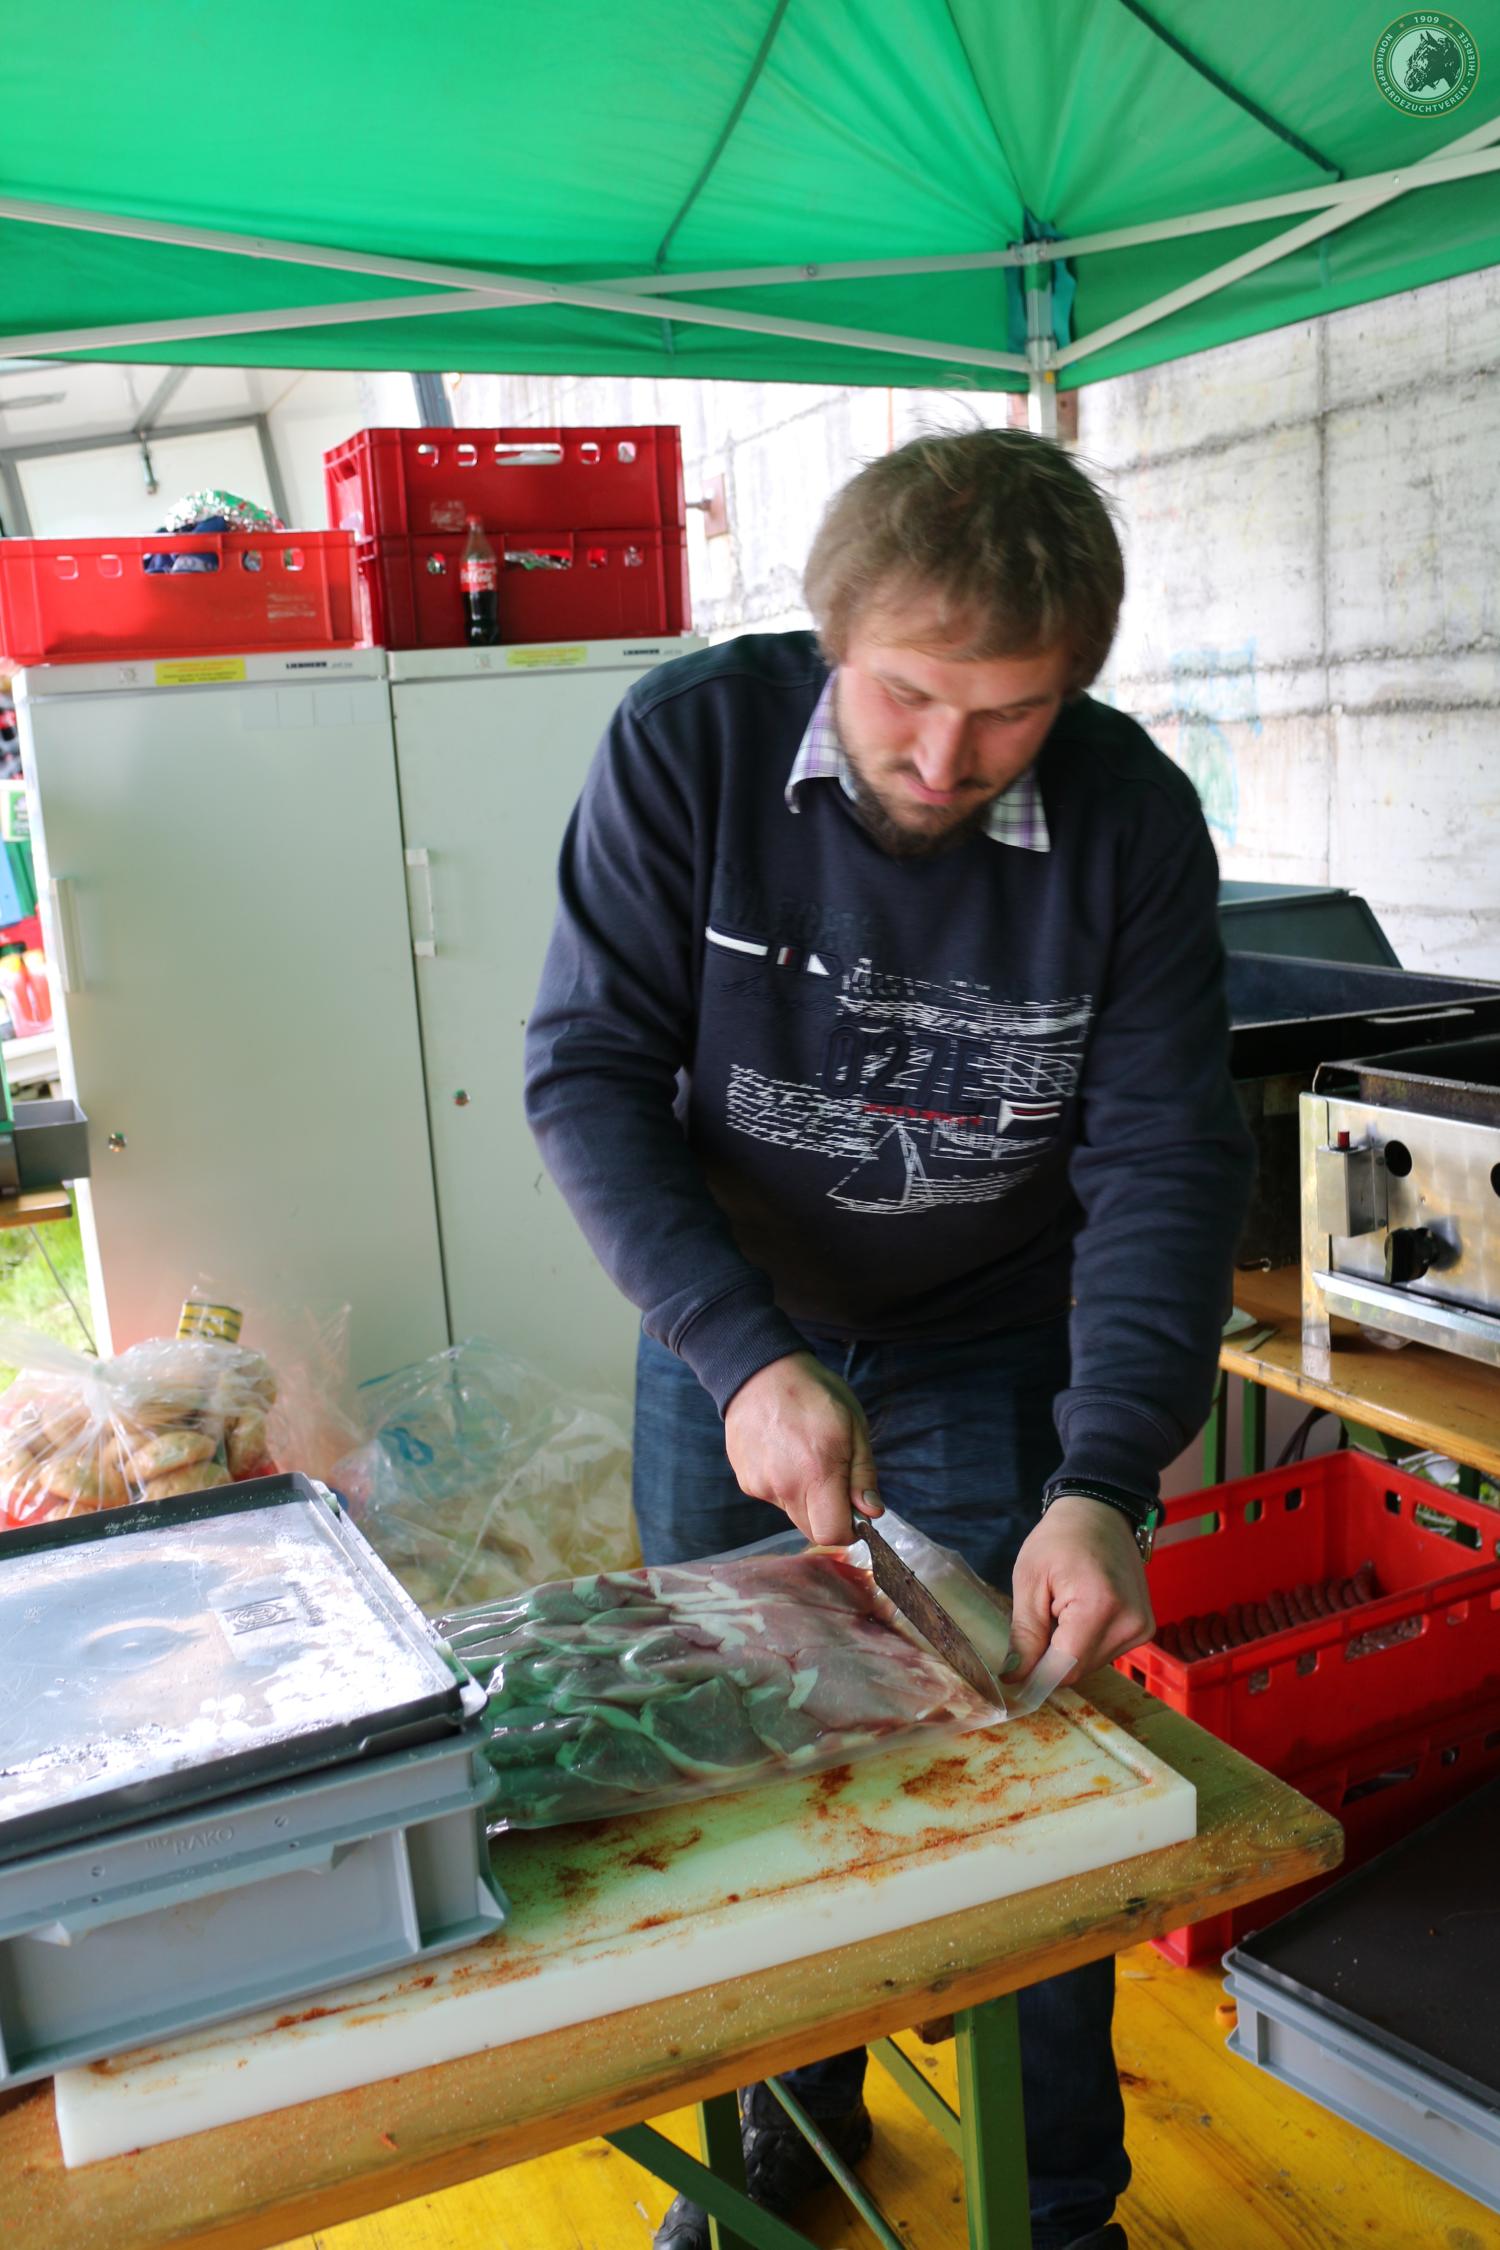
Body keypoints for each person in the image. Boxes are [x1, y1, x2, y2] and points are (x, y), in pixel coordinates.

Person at [524, 429, 1254, 2250]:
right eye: (908, 695)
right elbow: (587, 1072)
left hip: (993, 1341)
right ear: (829, 633)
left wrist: (1107, 1481)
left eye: (1009, 715)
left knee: (1023, 1786)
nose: (943, 759)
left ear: (1072, 687)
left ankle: (1058, 2205)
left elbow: (1166, 1163)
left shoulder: (1132, 823)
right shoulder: (687, 747)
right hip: (739, 1335)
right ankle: (784, 2133)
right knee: (728, 1760)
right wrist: (740, 1352)